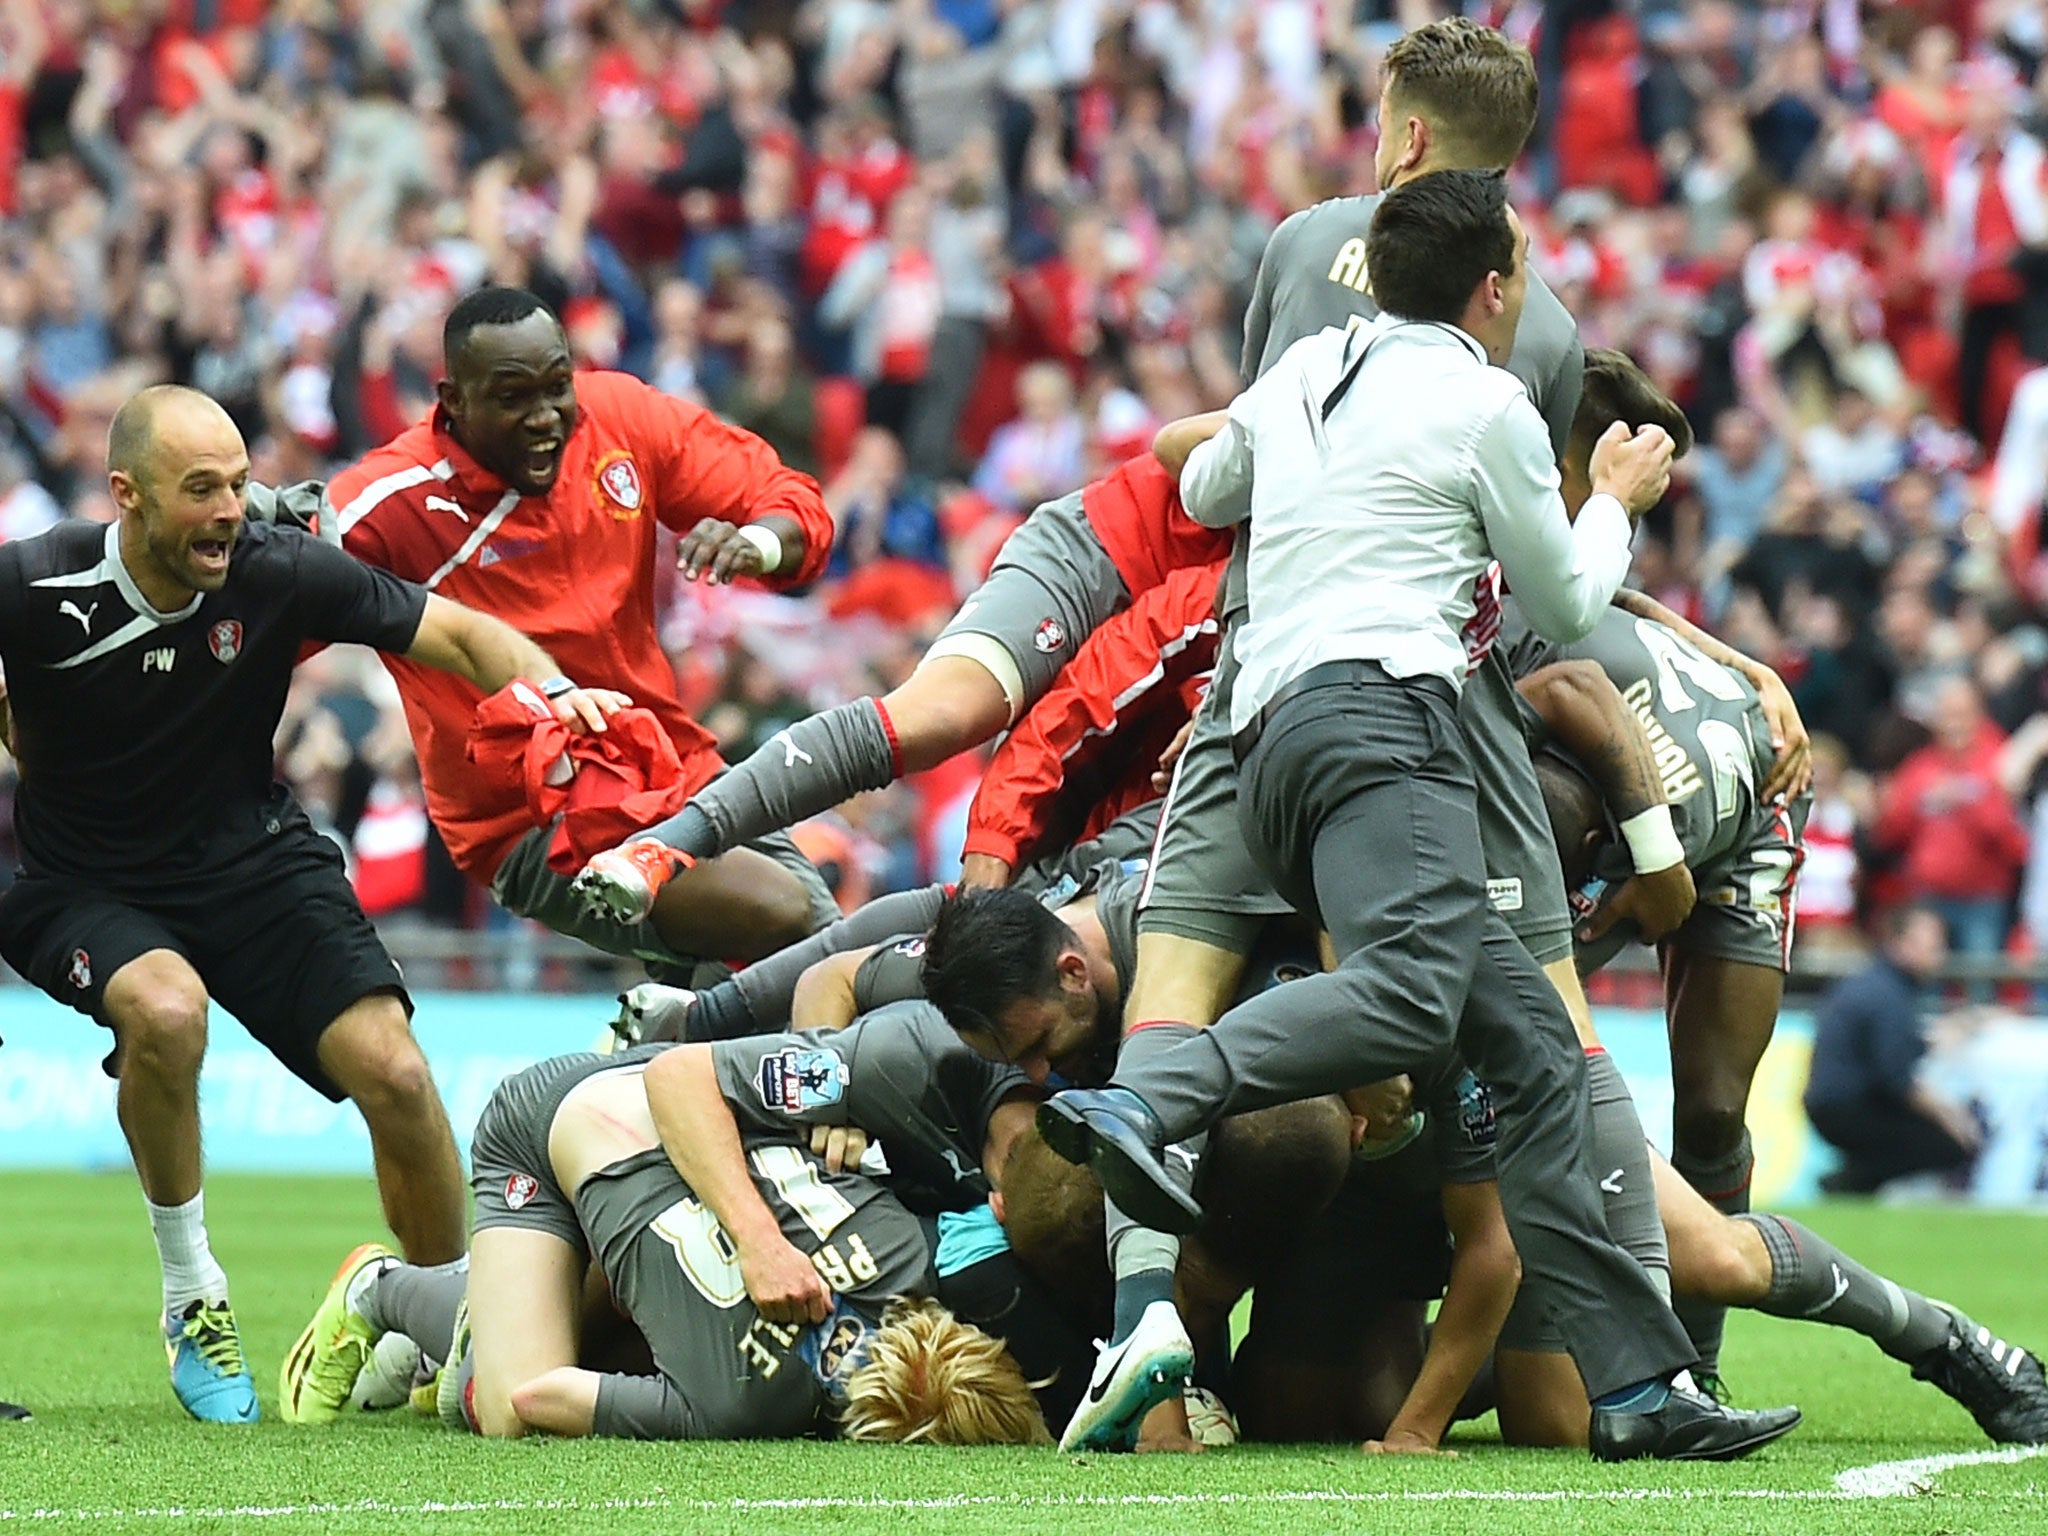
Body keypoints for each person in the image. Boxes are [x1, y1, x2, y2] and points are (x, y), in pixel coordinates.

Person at [1097, 19, 1809, 1447]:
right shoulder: (1518, 364)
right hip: (1417, 719)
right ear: (1498, 276)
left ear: (1402, 135)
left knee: (1209, 989)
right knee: (1488, 1023)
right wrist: (1617, 502)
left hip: (1254, 697)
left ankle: (1635, 1388)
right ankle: (1155, 1100)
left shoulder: (1300, 260)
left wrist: (1207, 447)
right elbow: (1537, 591)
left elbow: (1219, 481)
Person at [0, 385, 625, 1423]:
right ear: (127, 496)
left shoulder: (276, 570)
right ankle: (193, 1295)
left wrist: (554, 696)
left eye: (240, 485)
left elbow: (467, 638)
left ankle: (445, 1332)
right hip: (84, 886)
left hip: (254, 867)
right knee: (165, 1013)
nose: (230, 511)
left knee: (396, 1071)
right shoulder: (30, 584)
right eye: (199, 489)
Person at [327, 286, 841, 975]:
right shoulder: (391, 503)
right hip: (531, 820)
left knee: (819, 958)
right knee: (795, 924)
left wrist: (760, 544)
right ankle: (680, 1027)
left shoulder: (621, 418)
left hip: (673, 764)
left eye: (557, 387)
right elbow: (274, 599)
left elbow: (790, 501)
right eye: (513, 397)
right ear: (453, 401)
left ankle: (667, 1035)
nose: (545, 418)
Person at [1502, 348, 1810, 1393]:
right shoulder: (1512, 556)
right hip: (1635, 806)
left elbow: (1613, 609)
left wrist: (1745, 665)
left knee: (1714, 1110)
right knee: (1522, 1035)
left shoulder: (1538, 565)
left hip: (1751, 804)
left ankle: (1693, 1365)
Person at [280, 1031, 1048, 1444]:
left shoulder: (916, 1252)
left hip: (661, 1084)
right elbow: (541, 1395)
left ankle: (479, 1321)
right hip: (544, 1135)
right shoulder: (744, 1412)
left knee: (634, 1308)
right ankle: (382, 1289)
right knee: (502, 1404)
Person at [571, 448, 1226, 919]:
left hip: (1184, 664)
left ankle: (726, 1014)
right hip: (1111, 556)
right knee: (944, 714)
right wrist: (992, 850)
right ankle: (667, 842)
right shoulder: (1310, 397)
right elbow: (1175, 447)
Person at [1805, 906, 1983, 1193]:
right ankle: (1847, 1182)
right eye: (1932, 947)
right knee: (1946, 1146)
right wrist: (1951, 1117)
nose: (1939, 957)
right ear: (1901, 944)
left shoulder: (1872, 983)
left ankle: (1855, 1180)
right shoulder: (1890, 996)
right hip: (1852, 1107)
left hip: (1827, 1103)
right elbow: (1897, 1080)